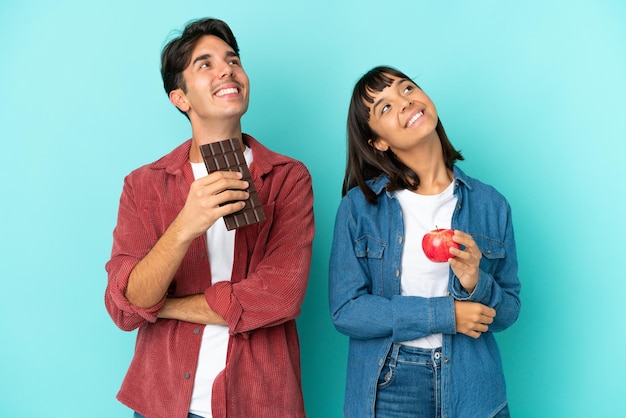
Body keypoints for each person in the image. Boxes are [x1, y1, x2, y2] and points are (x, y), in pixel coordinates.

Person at [105, 18, 314, 418]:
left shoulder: (287, 178)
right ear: (180, 98)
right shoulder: (143, 186)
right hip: (162, 402)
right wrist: (185, 225)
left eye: (232, 60)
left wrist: (166, 307)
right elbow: (126, 310)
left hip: (258, 402)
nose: (226, 70)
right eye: (205, 64)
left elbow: (280, 296)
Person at [328, 66, 521, 417]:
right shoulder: (359, 208)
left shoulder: (492, 205)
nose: (404, 102)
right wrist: (445, 315)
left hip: (473, 387)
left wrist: (477, 282)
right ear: (377, 142)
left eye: (406, 88)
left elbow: (509, 311)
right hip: (389, 386)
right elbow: (346, 312)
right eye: (384, 107)